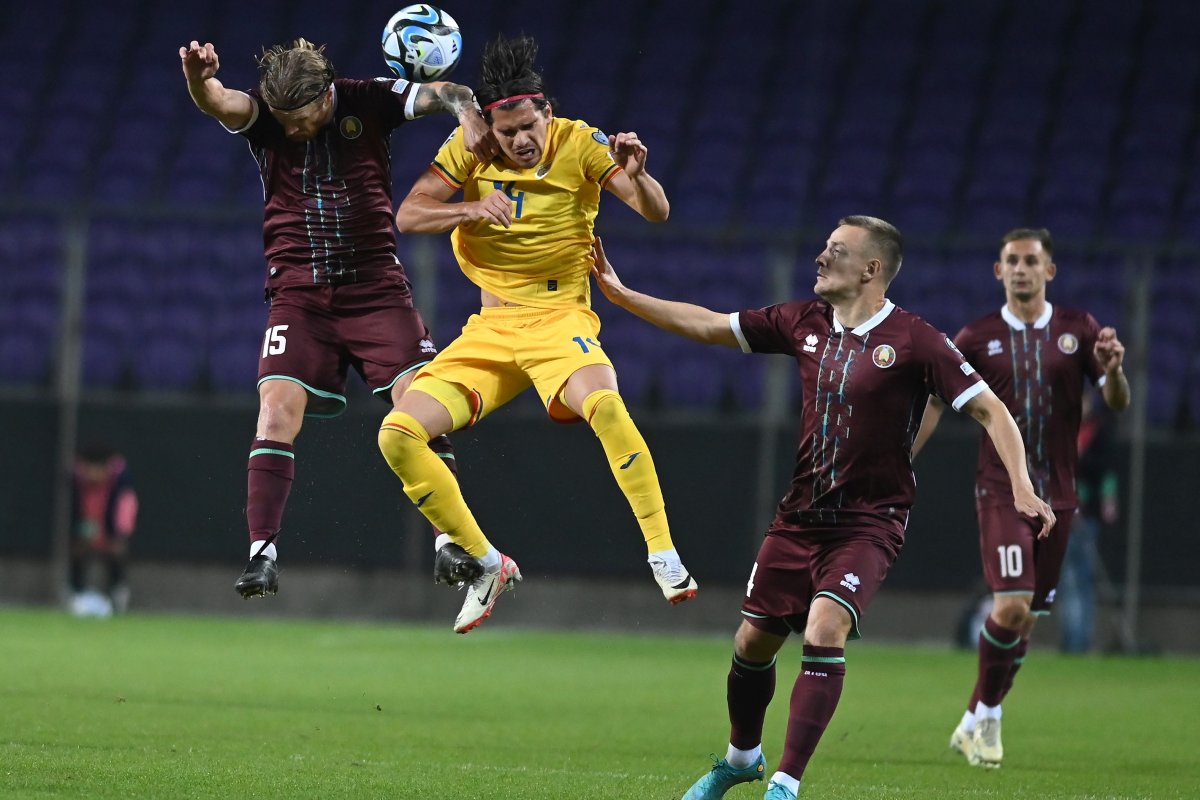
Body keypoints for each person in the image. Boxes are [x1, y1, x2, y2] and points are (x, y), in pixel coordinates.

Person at [590, 216, 1055, 800]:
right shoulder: (804, 321)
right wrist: (621, 294)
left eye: (836, 250)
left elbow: (992, 410)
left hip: (869, 521)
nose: (820, 257)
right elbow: (709, 324)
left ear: (871, 269)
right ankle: (741, 760)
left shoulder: (915, 340)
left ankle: (785, 783)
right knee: (751, 644)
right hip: (800, 517)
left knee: (824, 626)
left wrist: (1021, 485)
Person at [381, 33, 696, 634]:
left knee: (605, 405)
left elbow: (655, 211)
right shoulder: (470, 145)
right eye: (508, 132)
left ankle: (662, 551)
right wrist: (468, 208)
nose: (521, 139)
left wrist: (641, 176)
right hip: (493, 326)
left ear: (547, 112)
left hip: (559, 319)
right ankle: (486, 563)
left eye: (530, 125)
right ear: (491, 128)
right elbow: (409, 214)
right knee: (397, 435)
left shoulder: (581, 142)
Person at [178, 38, 501, 598]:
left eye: (301, 119)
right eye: (285, 120)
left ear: (327, 95)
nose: (293, 129)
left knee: (419, 404)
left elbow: (449, 91)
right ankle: (261, 554)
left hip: (376, 287)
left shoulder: (368, 99)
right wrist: (197, 78)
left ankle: (449, 541)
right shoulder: (267, 118)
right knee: (276, 409)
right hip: (297, 292)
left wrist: (468, 114)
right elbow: (219, 101)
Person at [913, 227, 1129, 768]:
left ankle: (971, 720)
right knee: (1009, 606)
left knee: (1027, 620)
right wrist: (904, 454)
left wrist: (1115, 371)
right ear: (998, 271)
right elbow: (936, 398)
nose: (1021, 269)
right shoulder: (977, 336)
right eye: (1012, 260)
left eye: (1031, 261)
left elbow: (1116, 401)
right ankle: (990, 718)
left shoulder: (1079, 329)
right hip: (1001, 488)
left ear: (1049, 271)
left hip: (1060, 493)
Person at [1058, 388, 1119, 654]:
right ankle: (1070, 639)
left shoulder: (1099, 434)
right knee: (1067, 578)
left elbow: (1105, 472)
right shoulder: (1063, 431)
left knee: (1083, 578)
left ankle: (1081, 641)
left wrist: (1107, 501)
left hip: (1087, 516)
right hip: (1064, 513)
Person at [70, 443, 138, 616]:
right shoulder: (77, 480)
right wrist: (80, 534)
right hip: (88, 527)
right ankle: (75, 597)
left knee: (115, 559)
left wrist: (120, 535)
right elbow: (76, 509)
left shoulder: (121, 481)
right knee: (78, 557)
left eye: (96, 469)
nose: (92, 474)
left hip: (111, 530)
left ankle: (118, 599)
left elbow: (126, 508)